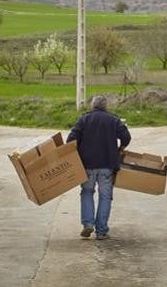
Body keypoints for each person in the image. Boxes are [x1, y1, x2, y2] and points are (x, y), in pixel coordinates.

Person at [66, 95, 131, 240]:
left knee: (87, 192)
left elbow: (70, 140)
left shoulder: (84, 119)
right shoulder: (114, 119)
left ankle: (88, 224)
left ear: (92, 105)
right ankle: (101, 231)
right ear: (105, 106)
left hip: (87, 165)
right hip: (107, 166)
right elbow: (126, 137)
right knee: (105, 197)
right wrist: (121, 148)